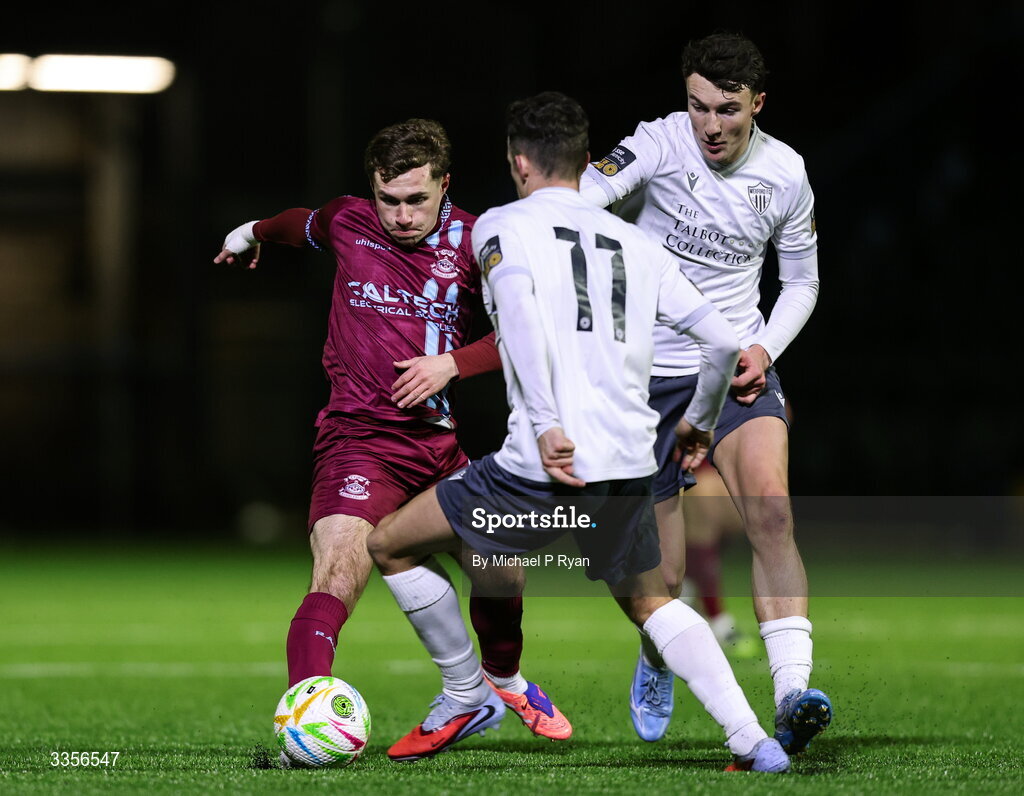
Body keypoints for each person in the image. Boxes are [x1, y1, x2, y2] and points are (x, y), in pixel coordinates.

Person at [366, 91, 789, 773]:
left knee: (387, 544)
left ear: (518, 163)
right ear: (587, 163)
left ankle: (469, 691)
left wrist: (545, 424)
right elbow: (722, 343)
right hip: (628, 464)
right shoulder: (637, 242)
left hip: (539, 466)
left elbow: (521, 326)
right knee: (652, 603)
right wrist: (697, 426)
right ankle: (752, 740)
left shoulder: (500, 226)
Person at [213, 118, 571, 755]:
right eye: (389, 200)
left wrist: (452, 363)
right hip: (357, 441)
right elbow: (299, 223)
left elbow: (530, 330)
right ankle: (309, 716)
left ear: (445, 187)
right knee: (338, 572)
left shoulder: (480, 238)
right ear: (371, 190)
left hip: (437, 443)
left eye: (416, 200)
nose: (402, 216)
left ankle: (503, 682)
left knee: (503, 569)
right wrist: (249, 233)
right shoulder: (349, 222)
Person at [579, 31, 832, 754]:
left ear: (758, 103)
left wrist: (764, 348)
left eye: (727, 110)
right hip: (647, 378)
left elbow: (803, 282)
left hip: (738, 366)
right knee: (664, 576)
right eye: (698, 108)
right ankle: (660, 650)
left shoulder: (785, 173)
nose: (711, 127)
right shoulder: (658, 145)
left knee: (772, 512)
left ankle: (791, 696)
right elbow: (589, 196)